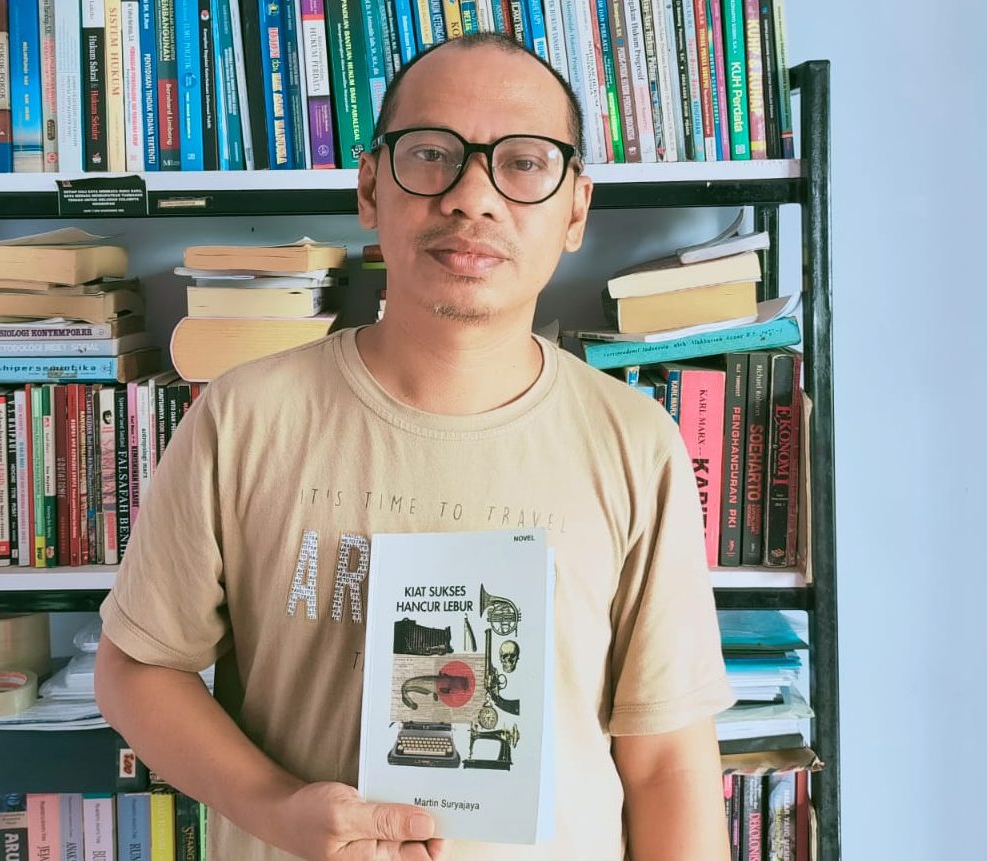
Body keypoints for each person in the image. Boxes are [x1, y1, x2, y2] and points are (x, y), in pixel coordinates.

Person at [95, 33, 734, 861]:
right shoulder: (244, 416)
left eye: (523, 163)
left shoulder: (635, 444)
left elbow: (666, 762)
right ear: (369, 185)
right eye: (431, 154)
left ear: (575, 209)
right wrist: (279, 809)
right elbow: (137, 669)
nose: (472, 197)